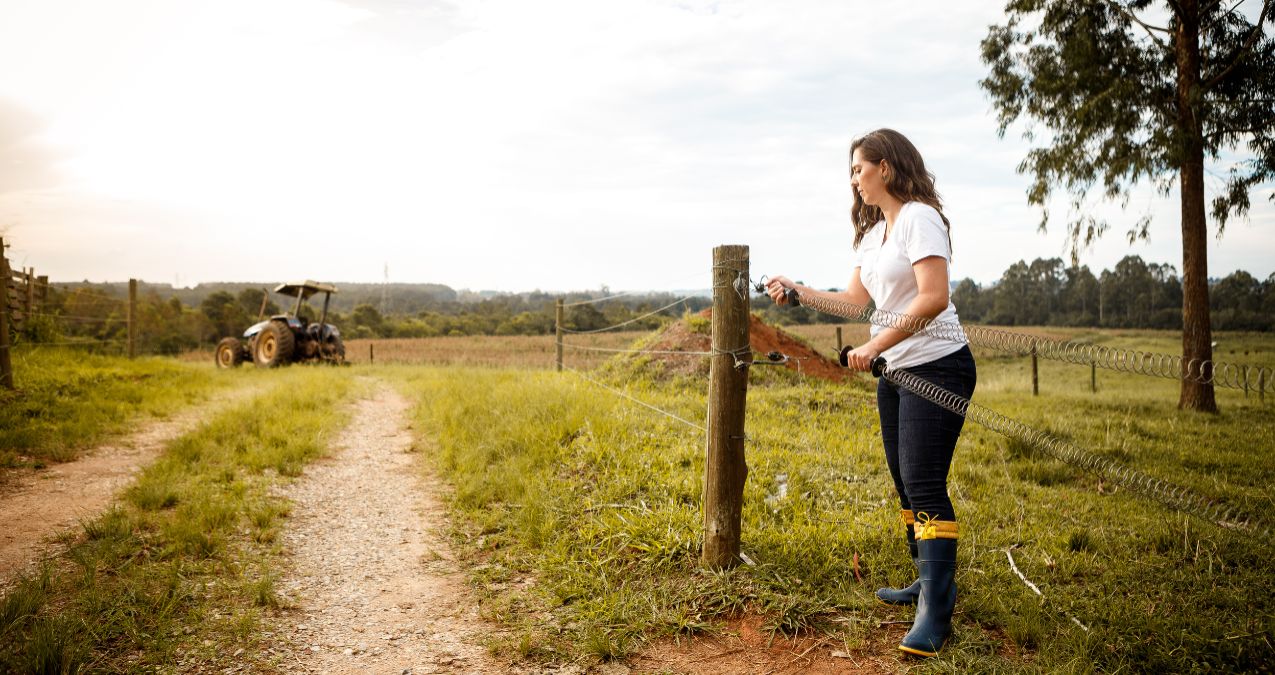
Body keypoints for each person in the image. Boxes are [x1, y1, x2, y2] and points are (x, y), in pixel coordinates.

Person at [765, 128, 976, 658]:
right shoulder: (874, 234)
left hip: (937, 366)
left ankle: (936, 610)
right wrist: (800, 290)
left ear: (885, 167)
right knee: (906, 483)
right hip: (896, 371)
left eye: (859, 169)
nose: (854, 180)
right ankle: (926, 584)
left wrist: (876, 343)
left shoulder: (919, 219)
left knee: (925, 483)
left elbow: (933, 297)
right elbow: (855, 302)